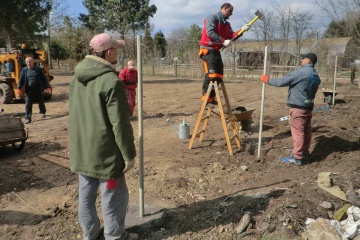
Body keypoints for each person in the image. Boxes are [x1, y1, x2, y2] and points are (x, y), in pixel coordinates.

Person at [69, 33, 138, 240]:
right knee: (113, 197)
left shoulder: (76, 77)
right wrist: (129, 154)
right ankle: (115, 236)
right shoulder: (111, 81)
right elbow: (120, 123)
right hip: (105, 154)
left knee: (86, 196)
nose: (118, 52)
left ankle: (89, 235)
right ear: (109, 52)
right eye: (116, 49)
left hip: (82, 150)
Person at [261, 53, 321, 166]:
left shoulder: (300, 72)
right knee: (306, 131)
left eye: (303, 58)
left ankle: (297, 156)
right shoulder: (315, 74)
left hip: (298, 107)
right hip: (308, 107)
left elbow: (282, 81)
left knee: (298, 132)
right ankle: (304, 152)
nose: (301, 60)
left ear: (309, 60)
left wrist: (267, 80)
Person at [199, 3, 250, 104]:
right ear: (224, 8)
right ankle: (206, 96)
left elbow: (231, 36)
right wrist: (223, 41)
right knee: (212, 74)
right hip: (207, 49)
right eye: (230, 11)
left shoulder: (226, 24)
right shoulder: (212, 17)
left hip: (216, 51)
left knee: (219, 76)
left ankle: (211, 97)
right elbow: (210, 32)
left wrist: (242, 30)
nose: (231, 14)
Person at [17, 56, 51, 124]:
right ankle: (28, 118)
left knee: (41, 101)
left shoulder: (38, 69)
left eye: (30, 62)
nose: (28, 63)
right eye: (27, 62)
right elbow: (21, 79)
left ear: (33, 62)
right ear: (26, 63)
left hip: (38, 88)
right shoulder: (24, 70)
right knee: (28, 103)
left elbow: (43, 79)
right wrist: (19, 88)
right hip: (29, 90)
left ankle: (42, 112)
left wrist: (47, 87)